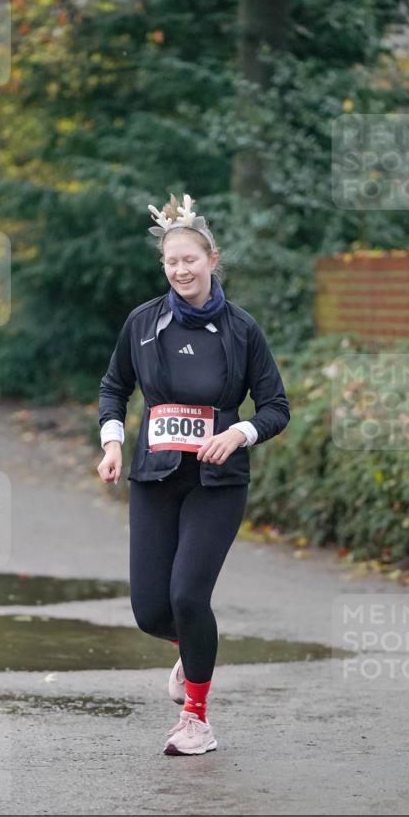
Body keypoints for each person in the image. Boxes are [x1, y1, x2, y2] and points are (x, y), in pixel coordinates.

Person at [97, 193, 290, 755]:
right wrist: (112, 443)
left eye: (191, 259)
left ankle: (196, 719)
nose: (181, 270)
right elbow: (115, 388)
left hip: (217, 483)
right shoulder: (143, 323)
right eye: (171, 261)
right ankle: (194, 646)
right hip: (155, 477)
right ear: (164, 266)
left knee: (187, 594)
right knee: (150, 610)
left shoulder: (241, 329)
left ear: (212, 259)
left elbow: (275, 405)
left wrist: (239, 433)